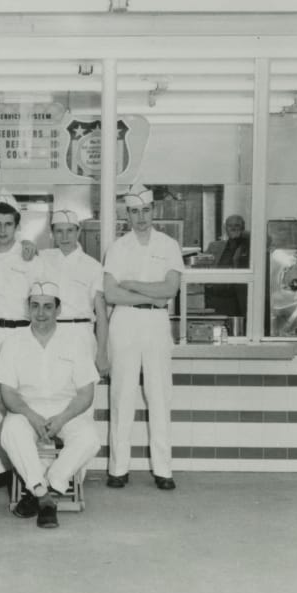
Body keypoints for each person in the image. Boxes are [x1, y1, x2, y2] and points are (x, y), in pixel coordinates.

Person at [0, 282, 101, 529]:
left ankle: (49, 486)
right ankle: (44, 496)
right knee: (10, 431)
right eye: (35, 306)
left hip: (67, 410)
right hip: (27, 409)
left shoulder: (76, 341)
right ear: (28, 309)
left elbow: (86, 393)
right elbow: (8, 393)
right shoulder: (13, 342)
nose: (41, 313)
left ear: (58, 309)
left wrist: (62, 418)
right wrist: (31, 416)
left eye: (47, 307)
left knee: (90, 438)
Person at [103, 183, 183, 492]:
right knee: (121, 395)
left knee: (159, 395)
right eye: (134, 212)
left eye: (145, 210)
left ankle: (163, 469)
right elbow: (112, 294)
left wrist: (132, 284)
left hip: (156, 324)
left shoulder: (168, 245)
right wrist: (152, 294)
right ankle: (118, 469)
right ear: (127, 214)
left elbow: (170, 289)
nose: (141, 217)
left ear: (154, 211)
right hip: (124, 323)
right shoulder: (118, 247)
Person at [0, 191, 45, 487]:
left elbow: (41, 299)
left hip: (22, 333)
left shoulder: (30, 256)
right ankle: (2, 468)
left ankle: (26, 466)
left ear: (17, 227)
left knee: (22, 396)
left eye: (8, 224)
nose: (3, 230)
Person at [38, 208, 109, 373]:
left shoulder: (93, 266)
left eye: (70, 231)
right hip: (49, 334)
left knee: (83, 386)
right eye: (59, 231)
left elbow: (101, 315)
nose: (64, 237)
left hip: (81, 335)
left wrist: (102, 353)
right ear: (52, 233)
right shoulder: (42, 259)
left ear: (78, 231)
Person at [204, 214, 250, 318]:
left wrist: (244, 235)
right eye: (230, 226)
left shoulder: (249, 245)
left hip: (237, 297)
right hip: (215, 296)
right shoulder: (215, 246)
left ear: (243, 228)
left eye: (237, 225)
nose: (233, 228)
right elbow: (201, 263)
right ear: (225, 228)